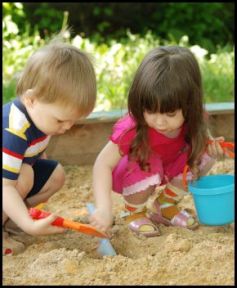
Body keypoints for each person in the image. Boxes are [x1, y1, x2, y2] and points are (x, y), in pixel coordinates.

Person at [89, 46, 226, 237]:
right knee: (149, 162)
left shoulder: (195, 119)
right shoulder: (133, 128)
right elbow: (102, 164)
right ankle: (133, 212)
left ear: (190, 105)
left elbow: (205, 143)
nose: (160, 122)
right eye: (151, 111)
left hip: (168, 167)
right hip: (135, 171)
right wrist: (103, 207)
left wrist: (214, 150)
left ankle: (165, 205)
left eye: (170, 114)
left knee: (204, 153)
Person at [2, 35, 97, 255]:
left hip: (11, 179)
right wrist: (30, 225)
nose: (66, 127)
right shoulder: (13, 130)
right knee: (24, 176)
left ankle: (13, 222)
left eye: (73, 121)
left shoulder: (41, 117)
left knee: (55, 174)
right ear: (31, 99)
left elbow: (35, 152)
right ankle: (15, 224)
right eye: (61, 120)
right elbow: (5, 187)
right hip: (5, 183)